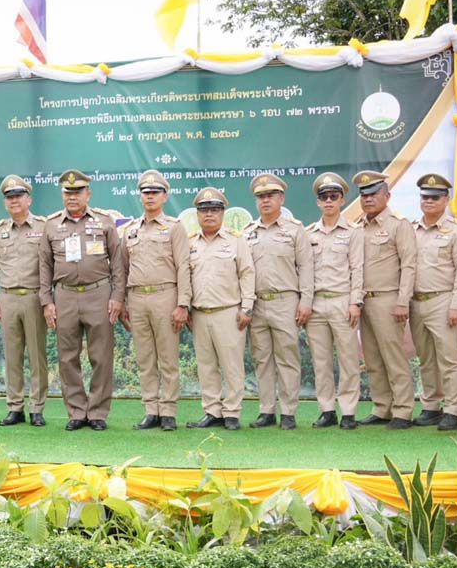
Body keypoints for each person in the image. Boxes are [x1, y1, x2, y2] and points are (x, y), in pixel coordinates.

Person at [39, 169, 126, 431]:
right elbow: (44, 265)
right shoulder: (52, 225)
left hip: (98, 294)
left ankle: (98, 412)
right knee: (67, 357)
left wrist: (117, 297)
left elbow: (118, 264)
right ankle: (76, 412)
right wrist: (47, 301)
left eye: (78, 192)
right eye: (68, 192)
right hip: (64, 295)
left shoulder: (104, 222)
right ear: (62, 194)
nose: (72, 197)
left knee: (101, 356)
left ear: (88, 193)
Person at [120, 170, 191, 432]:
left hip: (165, 296)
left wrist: (183, 304)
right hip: (137, 297)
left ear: (165, 196)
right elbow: (123, 268)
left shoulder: (174, 227)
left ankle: (169, 411)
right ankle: (151, 410)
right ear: (140, 196)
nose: (149, 197)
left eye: (155, 193)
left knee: (168, 358)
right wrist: (123, 302)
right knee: (145, 358)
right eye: (145, 193)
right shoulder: (129, 231)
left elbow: (184, 266)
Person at [242, 173, 313, 430]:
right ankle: (266, 410)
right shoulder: (248, 233)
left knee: (287, 358)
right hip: (257, 303)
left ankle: (289, 412)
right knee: (262, 359)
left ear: (281, 198)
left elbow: (306, 267)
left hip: (286, 300)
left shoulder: (295, 230)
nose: (266, 200)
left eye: (271, 195)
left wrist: (305, 301)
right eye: (260, 196)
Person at [186, 187, 255, 432]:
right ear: (197, 214)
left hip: (229, 312)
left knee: (232, 365)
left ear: (223, 213)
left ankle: (232, 412)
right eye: (204, 210)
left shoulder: (236, 241)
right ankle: (212, 411)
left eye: (214, 210)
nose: (209, 215)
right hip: (199, 314)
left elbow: (247, 273)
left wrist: (247, 307)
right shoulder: (190, 242)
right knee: (206, 366)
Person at [409, 175, 457, 432]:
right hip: (417, 301)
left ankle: (454, 410)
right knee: (425, 357)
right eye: (425, 197)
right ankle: (431, 406)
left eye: (435, 197)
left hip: (443, 300)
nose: (429, 201)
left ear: (446, 200)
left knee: (449, 358)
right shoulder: (412, 230)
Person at [355, 171, 417, 430]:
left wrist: (403, 300)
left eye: (373, 194)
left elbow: (409, 264)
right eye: (363, 195)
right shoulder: (359, 226)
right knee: (372, 358)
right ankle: (382, 407)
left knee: (394, 356)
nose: (368, 199)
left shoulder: (398, 224)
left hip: (388, 299)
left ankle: (403, 410)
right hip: (364, 300)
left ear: (387, 196)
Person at [0, 175, 48, 427]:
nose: (14, 201)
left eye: (19, 196)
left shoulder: (43, 228)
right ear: (5, 203)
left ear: (29, 199)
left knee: (36, 355)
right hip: (8, 297)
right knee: (12, 356)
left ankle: (37, 408)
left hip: (34, 297)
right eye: (9, 198)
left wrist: (47, 299)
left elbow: (49, 266)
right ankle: (15, 407)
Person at [305, 173, 363, 430]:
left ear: (342, 199)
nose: (328, 201)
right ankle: (327, 409)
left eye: (333, 196)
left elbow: (357, 269)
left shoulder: (353, 232)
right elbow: (304, 271)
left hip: (342, 301)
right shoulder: (309, 234)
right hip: (316, 303)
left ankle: (349, 411)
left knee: (349, 359)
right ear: (317, 202)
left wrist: (355, 302)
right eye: (323, 197)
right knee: (321, 360)